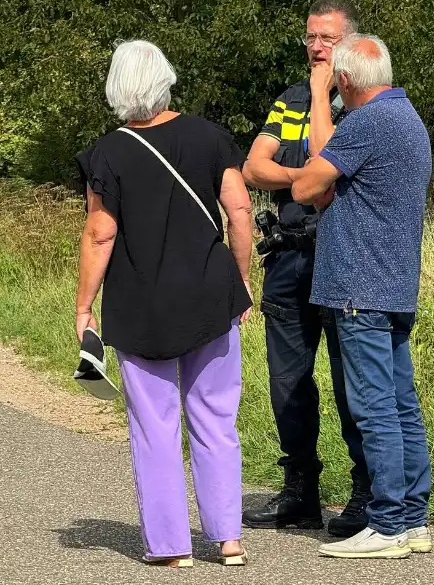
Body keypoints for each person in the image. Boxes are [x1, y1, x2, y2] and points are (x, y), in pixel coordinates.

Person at [74, 40, 254, 568]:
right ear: (166, 79)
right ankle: (229, 539)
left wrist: (84, 306)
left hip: (141, 304)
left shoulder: (108, 153)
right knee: (217, 418)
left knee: (154, 425)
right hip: (208, 295)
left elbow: (100, 234)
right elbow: (239, 210)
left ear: (117, 88)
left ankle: (172, 547)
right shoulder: (209, 136)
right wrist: (238, 281)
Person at [290, 34, 434, 559]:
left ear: (344, 80)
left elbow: (307, 187)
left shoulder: (368, 122)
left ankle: (389, 522)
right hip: (395, 284)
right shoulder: (408, 117)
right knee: (400, 404)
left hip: (359, 286)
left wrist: (315, 95)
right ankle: (413, 517)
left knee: (374, 408)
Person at [240, 0, 372, 537]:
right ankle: (300, 490)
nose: (317, 47)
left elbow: (333, 167)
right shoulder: (292, 99)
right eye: (311, 37)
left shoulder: (365, 102)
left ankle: (365, 491)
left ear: (349, 45)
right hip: (290, 255)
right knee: (288, 382)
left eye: (328, 38)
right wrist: (304, 179)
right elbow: (253, 165)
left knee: (352, 381)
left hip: (341, 256)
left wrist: (301, 172)